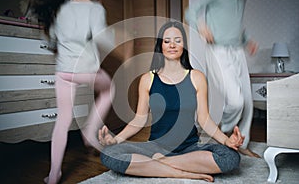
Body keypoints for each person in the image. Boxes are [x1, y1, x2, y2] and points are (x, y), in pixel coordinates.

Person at [98, 21, 244, 182]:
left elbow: (204, 119)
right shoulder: (147, 79)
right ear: (160, 45)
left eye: (178, 40)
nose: (172, 45)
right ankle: (178, 172)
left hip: (189, 149)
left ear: (184, 46)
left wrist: (226, 140)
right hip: (155, 147)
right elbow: (139, 120)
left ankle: (162, 163)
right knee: (108, 155)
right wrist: (115, 139)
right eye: (167, 41)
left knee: (231, 158)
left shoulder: (197, 77)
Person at [32, 0, 114, 183]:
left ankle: (53, 174)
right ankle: (89, 130)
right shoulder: (95, 8)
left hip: (63, 71)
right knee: (109, 89)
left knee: (63, 120)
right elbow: (103, 39)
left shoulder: (59, 8)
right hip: (86, 70)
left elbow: (51, 39)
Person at [185, 0, 260, 157]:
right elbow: (189, 12)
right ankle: (221, 134)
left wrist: (247, 41)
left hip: (238, 51)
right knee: (235, 101)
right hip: (218, 50)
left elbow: (236, 26)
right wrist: (201, 26)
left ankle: (242, 143)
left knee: (247, 102)